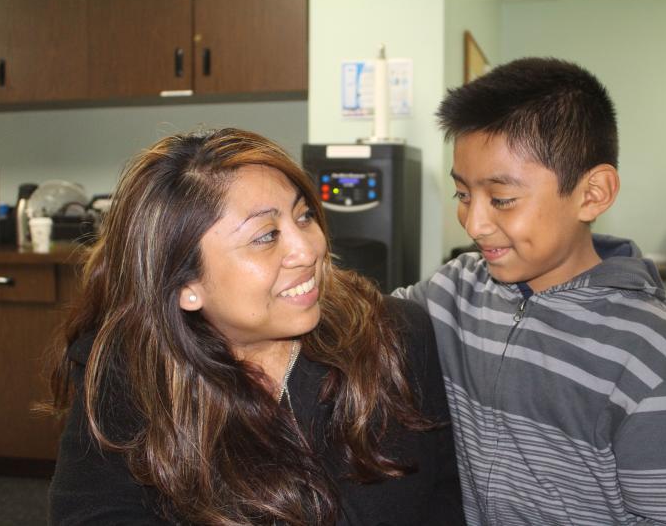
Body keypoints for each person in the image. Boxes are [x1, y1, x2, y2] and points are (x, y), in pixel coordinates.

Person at [48, 128, 464, 525]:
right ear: (185, 286)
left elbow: (438, 507)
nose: (309, 248)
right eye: (266, 236)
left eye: (303, 216)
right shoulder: (130, 370)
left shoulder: (393, 339)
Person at [393, 57, 666, 525]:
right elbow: (368, 320)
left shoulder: (648, 353)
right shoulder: (458, 288)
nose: (474, 222)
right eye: (463, 194)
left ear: (593, 194)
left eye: (501, 199)